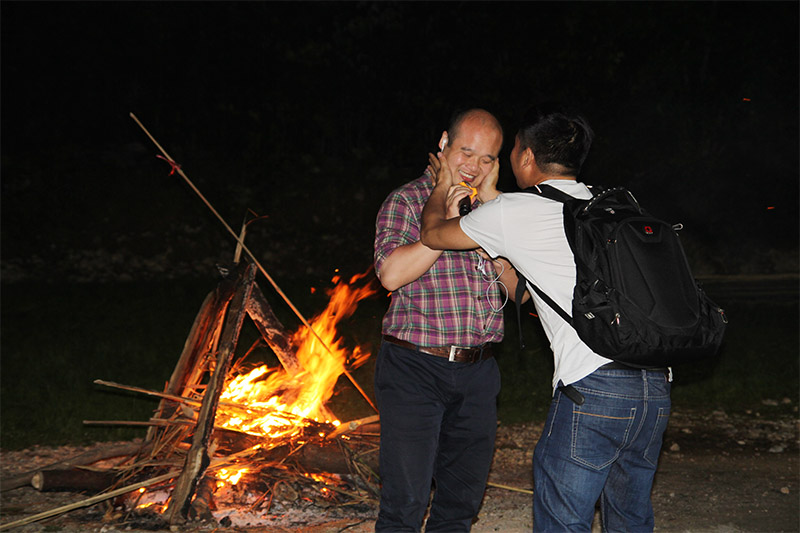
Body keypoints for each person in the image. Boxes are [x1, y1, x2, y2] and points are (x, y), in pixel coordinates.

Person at [420, 103, 672, 532]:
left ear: (526, 158)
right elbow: (525, 292)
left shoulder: (515, 211)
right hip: (654, 387)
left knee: (563, 522)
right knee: (629, 520)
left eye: (512, 151)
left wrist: (442, 185)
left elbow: (431, 235)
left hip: (592, 388)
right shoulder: (606, 206)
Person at [373, 108, 522, 532]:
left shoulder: (493, 212)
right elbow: (391, 274)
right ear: (444, 144)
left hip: (478, 372)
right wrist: (447, 225)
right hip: (414, 368)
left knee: (460, 504)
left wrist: (487, 226)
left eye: (487, 159)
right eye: (466, 152)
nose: (473, 167)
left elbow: (518, 291)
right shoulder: (406, 201)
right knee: (405, 502)